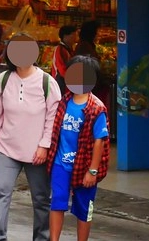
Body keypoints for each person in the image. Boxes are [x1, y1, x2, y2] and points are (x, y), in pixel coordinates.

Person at [0, 34, 61, 241]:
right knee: (1, 191)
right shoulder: (4, 79)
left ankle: (41, 238)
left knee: (41, 199)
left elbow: (53, 118)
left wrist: (44, 145)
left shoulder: (47, 82)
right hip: (6, 148)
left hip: (36, 151)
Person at [47, 55, 110, 241]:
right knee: (57, 203)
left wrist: (93, 170)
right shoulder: (63, 102)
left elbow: (100, 141)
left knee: (84, 208)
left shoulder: (97, 108)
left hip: (84, 167)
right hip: (60, 164)